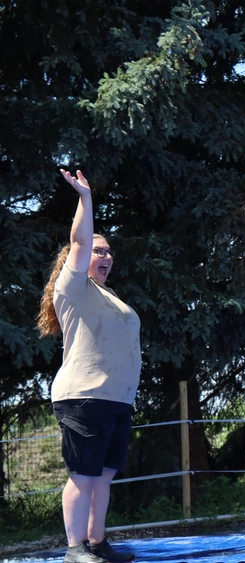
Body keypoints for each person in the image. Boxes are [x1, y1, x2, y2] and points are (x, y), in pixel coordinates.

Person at [36, 169, 141, 563]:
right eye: (100, 251)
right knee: (83, 475)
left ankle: (97, 544)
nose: (107, 256)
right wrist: (84, 197)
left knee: (105, 474)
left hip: (116, 399)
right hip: (83, 397)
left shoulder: (109, 296)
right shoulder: (73, 287)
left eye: (110, 252)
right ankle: (74, 549)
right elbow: (80, 239)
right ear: (77, 261)